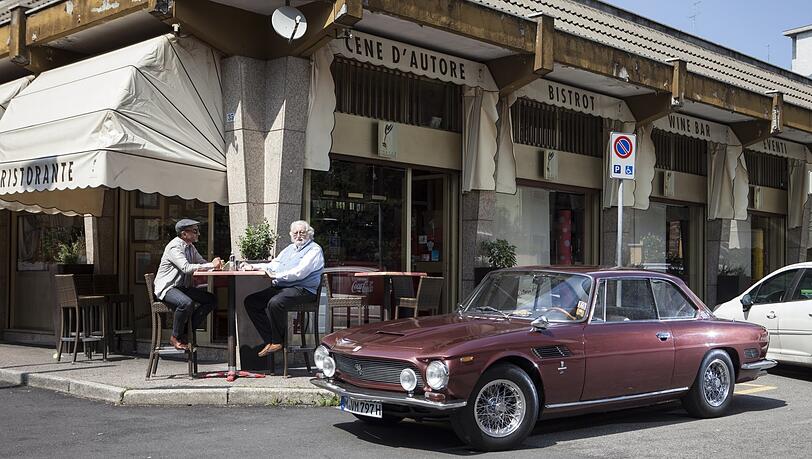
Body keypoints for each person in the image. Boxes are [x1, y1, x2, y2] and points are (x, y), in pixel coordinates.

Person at [243, 220, 325, 357]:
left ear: (309, 234)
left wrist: (276, 276)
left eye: (302, 232)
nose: (299, 235)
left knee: (275, 303)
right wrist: (254, 266)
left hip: (304, 289)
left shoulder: (314, 249)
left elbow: (300, 272)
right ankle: (271, 340)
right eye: (295, 233)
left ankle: (277, 341)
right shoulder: (289, 249)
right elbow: (274, 264)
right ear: (291, 235)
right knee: (251, 301)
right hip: (284, 287)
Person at [153, 218, 222, 351]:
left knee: (211, 300)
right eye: (195, 231)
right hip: (168, 287)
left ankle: (186, 331)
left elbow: (201, 262)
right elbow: (186, 268)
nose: (198, 234)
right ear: (184, 234)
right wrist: (210, 265)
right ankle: (175, 336)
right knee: (186, 303)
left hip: (182, 287)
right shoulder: (174, 247)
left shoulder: (190, 247)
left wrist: (217, 266)